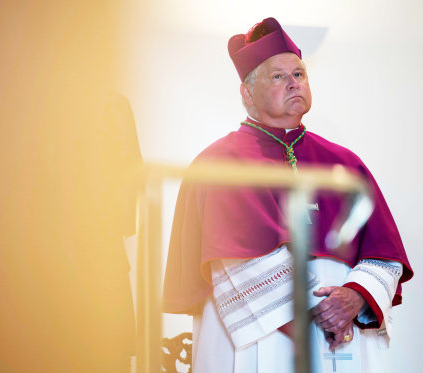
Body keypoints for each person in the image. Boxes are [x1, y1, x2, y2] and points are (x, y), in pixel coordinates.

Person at [162, 17, 413, 373]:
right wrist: (320, 318)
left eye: (299, 74)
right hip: (261, 338)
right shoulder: (218, 163)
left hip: (341, 335)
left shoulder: (345, 163)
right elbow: (232, 257)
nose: (294, 83)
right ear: (247, 93)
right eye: (278, 76)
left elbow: (384, 255)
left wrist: (356, 296)